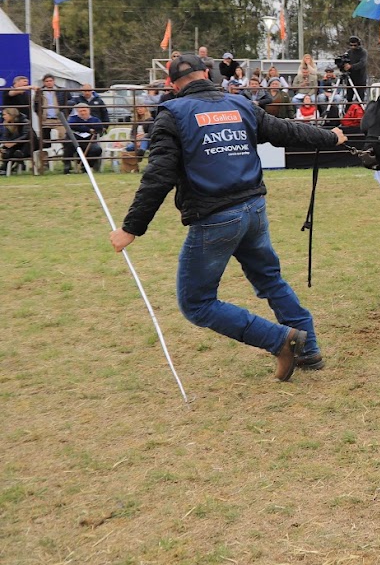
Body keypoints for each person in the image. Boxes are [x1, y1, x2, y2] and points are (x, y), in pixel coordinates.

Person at [109, 53, 348, 381]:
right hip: (254, 209)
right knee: (270, 279)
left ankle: (282, 341)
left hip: (215, 218)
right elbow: (287, 132)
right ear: (206, 72)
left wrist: (130, 228)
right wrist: (331, 137)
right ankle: (308, 348)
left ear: (172, 84)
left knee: (197, 304)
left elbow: (158, 175)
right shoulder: (240, 104)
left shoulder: (173, 114)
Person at [64, 102, 105, 173]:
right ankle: (67, 165)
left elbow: (99, 127)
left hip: (89, 141)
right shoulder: (73, 118)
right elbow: (72, 125)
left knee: (97, 149)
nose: (83, 113)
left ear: (89, 110)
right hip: (76, 141)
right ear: (77, 112)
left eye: (84, 111)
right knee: (68, 144)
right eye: (81, 111)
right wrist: (88, 129)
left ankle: (86, 166)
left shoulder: (95, 119)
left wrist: (82, 127)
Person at [119, 103, 155, 173]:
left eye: (141, 108)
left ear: (145, 109)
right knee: (129, 148)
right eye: (138, 109)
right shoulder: (136, 121)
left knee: (144, 140)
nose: (139, 110)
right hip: (137, 141)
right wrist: (135, 140)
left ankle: (141, 152)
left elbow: (151, 133)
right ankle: (131, 166)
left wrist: (143, 137)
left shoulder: (150, 120)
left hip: (147, 141)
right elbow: (132, 134)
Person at [1, 106, 32, 171]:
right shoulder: (7, 123)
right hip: (17, 145)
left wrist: (13, 142)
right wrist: (5, 144)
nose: (3, 117)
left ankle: (6, 168)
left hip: (28, 145)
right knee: (6, 152)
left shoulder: (24, 121)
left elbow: (26, 135)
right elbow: (5, 137)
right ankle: (7, 168)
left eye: (4, 115)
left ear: (11, 114)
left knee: (17, 151)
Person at [342, 36, 368, 101]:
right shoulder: (348, 52)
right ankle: (348, 110)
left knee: (360, 97)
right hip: (350, 77)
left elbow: (362, 63)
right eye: (351, 45)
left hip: (360, 78)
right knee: (349, 97)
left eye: (355, 45)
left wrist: (351, 66)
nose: (353, 47)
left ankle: (360, 110)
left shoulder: (363, 52)